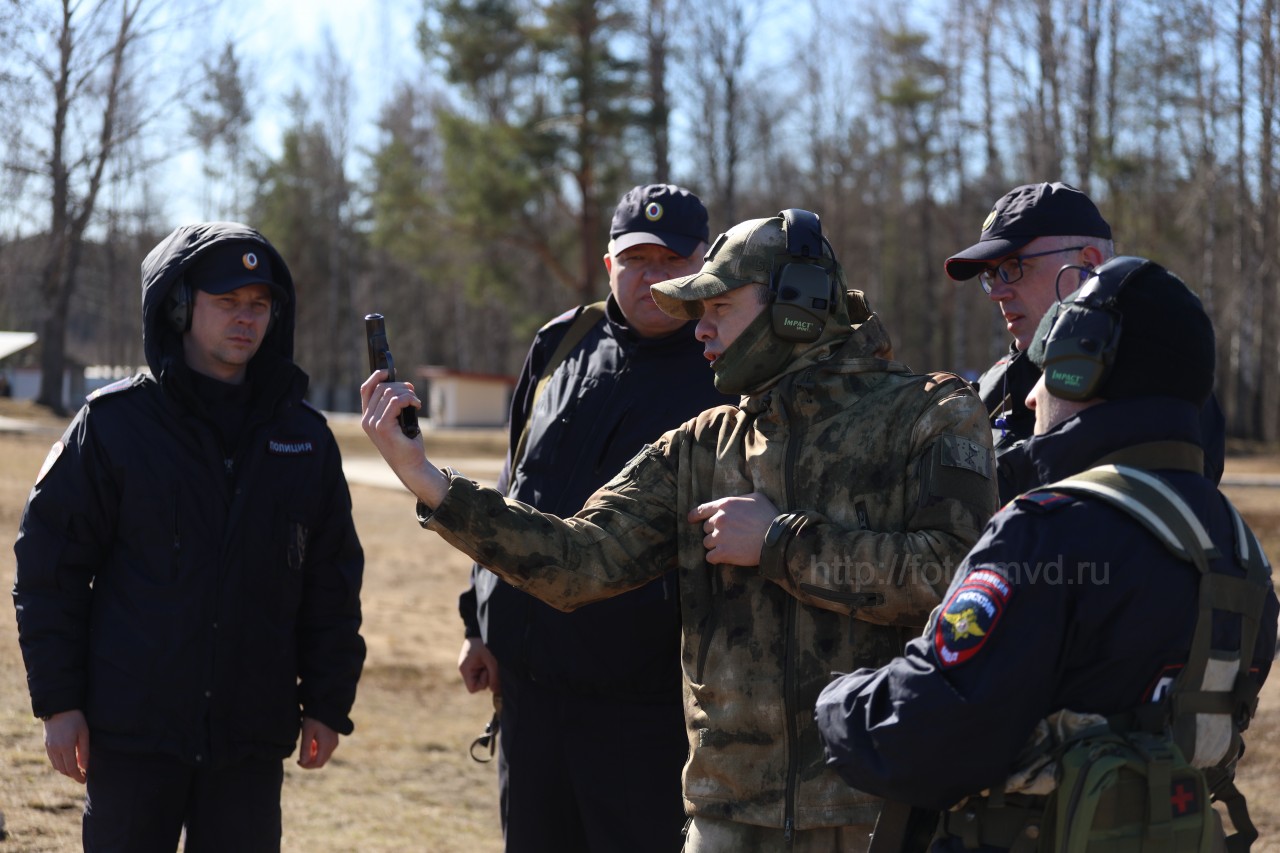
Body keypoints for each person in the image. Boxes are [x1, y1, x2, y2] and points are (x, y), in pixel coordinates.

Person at [363, 210, 999, 852]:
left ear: (798, 307)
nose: (701, 329)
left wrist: (780, 544)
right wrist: (426, 479)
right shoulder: (701, 446)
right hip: (727, 813)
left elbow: (954, 581)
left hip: (875, 808)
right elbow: (581, 559)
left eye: (719, 306)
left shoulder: (931, 413)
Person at [815, 257, 1278, 851]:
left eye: (1050, 368)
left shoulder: (1047, 530)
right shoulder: (1240, 552)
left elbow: (923, 738)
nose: (1033, 396)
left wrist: (838, 702)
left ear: (1084, 371)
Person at [13, 222, 366, 852]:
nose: (246, 318)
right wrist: (59, 703)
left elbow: (331, 582)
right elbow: (49, 571)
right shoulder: (114, 426)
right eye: (227, 301)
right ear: (178, 306)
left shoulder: (305, 439)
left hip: (248, 741)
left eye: (259, 304)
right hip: (132, 735)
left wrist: (327, 700)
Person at [456, 183, 730, 852]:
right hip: (529, 699)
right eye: (636, 259)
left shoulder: (724, 369)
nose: (652, 276)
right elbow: (513, 487)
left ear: (704, 264)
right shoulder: (561, 344)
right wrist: (478, 621)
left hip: (642, 713)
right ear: (609, 264)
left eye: (671, 260)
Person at [944, 181, 1226, 498]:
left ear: (1088, 265)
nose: (997, 292)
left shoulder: (1161, 378)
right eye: (991, 274)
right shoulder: (993, 387)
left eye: (1013, 266)